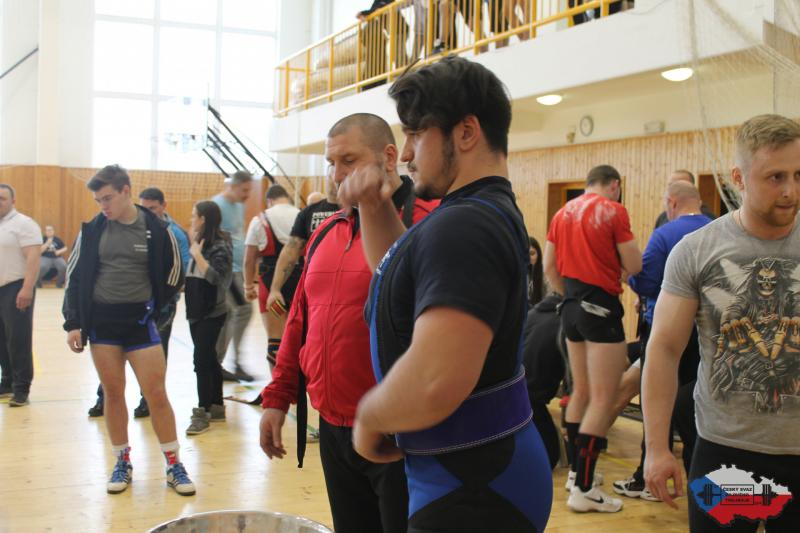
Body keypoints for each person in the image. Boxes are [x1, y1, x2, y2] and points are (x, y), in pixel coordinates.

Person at [341, 57, 551, 532]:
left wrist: (369, 417)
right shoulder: (473, 212)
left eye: (417, 134)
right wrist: (373, 206)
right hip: (475, 474)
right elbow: (401, 277)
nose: (407, 153)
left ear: (466, 132)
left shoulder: (464, 225)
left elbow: (436, 379)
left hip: (476, 485)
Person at [259, 113, 437, 533]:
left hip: (400, 435)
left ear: (389, 157)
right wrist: (277, 397)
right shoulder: (327, 232)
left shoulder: (429, 223)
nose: (337, 175)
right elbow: (300, 322)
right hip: (334, 430)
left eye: (349, 161)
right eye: (331, 162)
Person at [644, 114, 800, 530]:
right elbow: (664, 349)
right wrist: (656, 448)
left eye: (799, 175)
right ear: (739, 179)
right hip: (727, 455)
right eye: (776, 177)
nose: (790, 190)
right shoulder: (696, 251)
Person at [62, 165, 195, 496]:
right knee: (113, 391)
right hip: (103, 324)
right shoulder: (92, 230)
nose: (103, 206)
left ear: (126, 191)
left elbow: (175, 272)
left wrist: (158, 309)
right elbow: (74, 276)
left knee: (156, 393)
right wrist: (73, 322)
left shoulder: (156, 229)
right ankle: (122, 461)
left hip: (140, 323)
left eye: (107, 198)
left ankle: (174, 464)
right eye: (98, 200)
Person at [544, 164, 642, 513]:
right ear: (614, 185)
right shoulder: (613, 210)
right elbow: (635, 264)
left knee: (581, 392)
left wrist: (572, 296)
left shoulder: (562, 213)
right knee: (604, 397)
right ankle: (584, 489)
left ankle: (576, 476)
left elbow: (549, 267)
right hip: (600, 308)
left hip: (570, 308)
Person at [613, 181, 710, 502]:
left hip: (668, 330)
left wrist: (629, 276)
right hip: (706, 336)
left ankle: (649, 479)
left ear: (672, 202)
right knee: (694, 406)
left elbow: (645, 280)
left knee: (659, 401)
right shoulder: (717, 229)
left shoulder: (665, 234)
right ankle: (701, 486)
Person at [88, 187, 191, 418]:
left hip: (160, 307)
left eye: (152, 208)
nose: (148, 211)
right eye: (144, 207)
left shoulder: (173, 233)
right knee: (114, 357)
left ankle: (147, 401)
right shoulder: (127, 226)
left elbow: (180, 270)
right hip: (124, 310)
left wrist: (156, 299)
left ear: (163, 206)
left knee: (155, 357)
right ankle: (104, 398)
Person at [265, 175, 339, 330]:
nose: (336, 176)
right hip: (315, 291)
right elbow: (290, 251)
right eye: (332, 165)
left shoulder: (359, 211)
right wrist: (275, 289)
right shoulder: (309, 212)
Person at [184, 201, 233, 435]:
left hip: (212, 311)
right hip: (195, 310)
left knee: (201, 360)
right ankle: (216, 406)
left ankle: (202, 412)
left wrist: (198, 255)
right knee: (210, 358)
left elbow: (217, 278)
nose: (191, 219)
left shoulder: (220, 245)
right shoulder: (199, 241)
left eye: (194, 215)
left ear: (203, 218)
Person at [243, 185, 300, 372]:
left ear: (269, 201)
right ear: (287, 198)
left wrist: (248, 286)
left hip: (270, 284)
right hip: (299, 281)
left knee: (275, 340)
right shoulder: (301, 215)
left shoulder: (260, 220)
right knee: (299, 338)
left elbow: (249, 259)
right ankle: (299, 383)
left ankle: (277, 382)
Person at [0, 184, 41, 407]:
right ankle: (7, 382)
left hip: (16, 287)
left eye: (2, 198)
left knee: (18, 340)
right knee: (2, 339)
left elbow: (33, 258)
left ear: (13, 201)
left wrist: (27, 289)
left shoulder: (24, 224)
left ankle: (21, 388)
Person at [213, 170, 254, 382]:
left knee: (233, 313)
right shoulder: (217, 205)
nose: (247, 195)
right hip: (226, 270)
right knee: (240, 311)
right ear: (233, 186)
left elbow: (238, 233)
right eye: (244, 190)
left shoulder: (239, 205)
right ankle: (222, 362)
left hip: (238, 268)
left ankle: (222, 362)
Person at [523, 292, 567, 469]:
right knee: (550, 456)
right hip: (532, 396)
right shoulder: (568, 322)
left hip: (512, 386)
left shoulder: (533, 313)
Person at [528, 235, 544, 306]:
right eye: (526, 254)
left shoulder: (544, 274)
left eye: (532, 254)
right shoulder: (520, 273)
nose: (529, 258)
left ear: (538, 254)